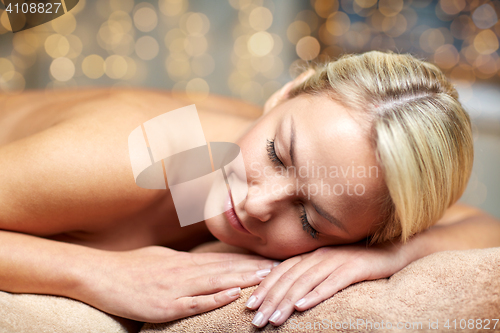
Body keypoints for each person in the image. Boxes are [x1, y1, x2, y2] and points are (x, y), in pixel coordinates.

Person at [0, 51, 499, 329]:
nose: (255, 203)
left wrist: (386, 257)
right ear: (285, 93)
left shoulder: (355, 179)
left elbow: (484, 227)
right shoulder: (134, 157)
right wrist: (96, 273)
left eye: (309, 219)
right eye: (277, 154)